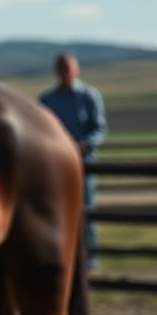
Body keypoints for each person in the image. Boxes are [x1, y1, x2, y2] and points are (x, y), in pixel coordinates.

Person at [39, 52, 108, 268]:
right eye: (61, 68)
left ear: (76, 69)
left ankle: (89, 259)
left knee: (86, 208)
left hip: (83, 161)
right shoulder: (47, 100)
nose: (65, 72)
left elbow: (99, 128)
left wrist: (82, 145)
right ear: (56, 71)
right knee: (55, 210)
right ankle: (61, 256)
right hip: (56, 164)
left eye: (68, 68)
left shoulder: (89, 96)